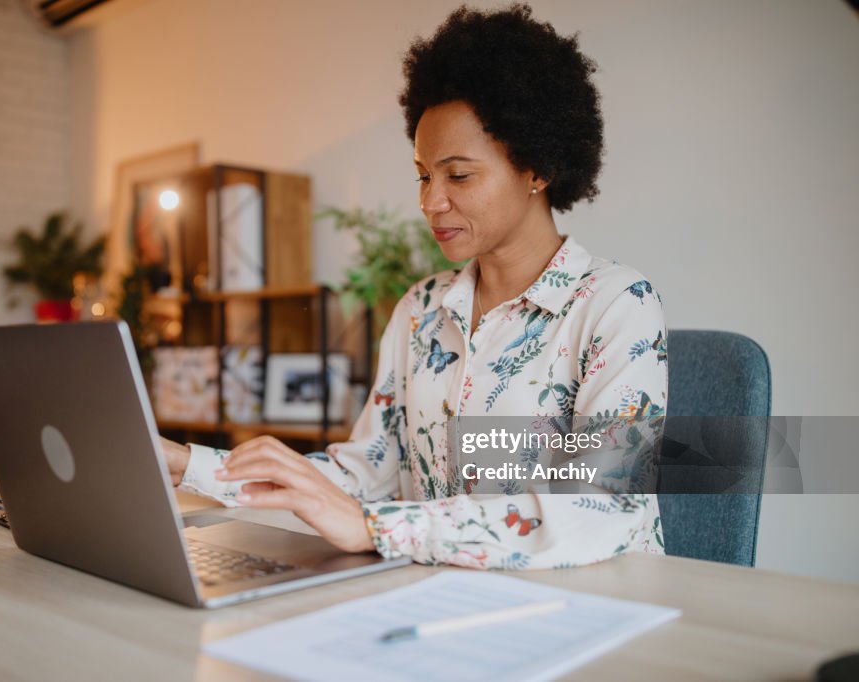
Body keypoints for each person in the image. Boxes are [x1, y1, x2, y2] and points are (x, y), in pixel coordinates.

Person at [161, 4, 667, 569]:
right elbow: (363, 478)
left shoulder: (616, 304)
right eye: (424, 175)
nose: (431, 201)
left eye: (459, 175)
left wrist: (373, 527)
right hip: (445, 599)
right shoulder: (421, 310)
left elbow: (601, 504)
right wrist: (188, 465)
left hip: (596, 607)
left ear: (538, 169)